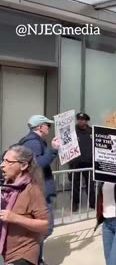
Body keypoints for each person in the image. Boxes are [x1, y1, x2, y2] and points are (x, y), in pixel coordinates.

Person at [21, 115, 61, 265]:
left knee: (42, 229)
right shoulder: (33, 143)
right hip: (39, 192)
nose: (49, 128)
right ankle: (32, 256)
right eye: (47, 125)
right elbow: (38, 165)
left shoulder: (36, 141)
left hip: (40, 191)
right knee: (45, 228)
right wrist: (53, 150)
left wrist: (51, 149)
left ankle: (36, 259)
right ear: (40, 127)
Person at [0, 146, 49, 265]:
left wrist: (14, 218)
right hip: (8, 253)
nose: (2, 165)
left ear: (23, 166)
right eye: (3, 160)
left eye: (8, 162)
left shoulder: (32, 189)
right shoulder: (7, 188)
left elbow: (45, 225)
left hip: (24, 254)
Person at [69, 112, 95, 212]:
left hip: (89, 163)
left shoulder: (91, 131)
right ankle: (75, 204)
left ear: (86, 121)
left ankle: (92, 204)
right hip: (76, 162)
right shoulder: (72, 131)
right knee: (75, 185)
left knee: (90, 185)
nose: (80, 121)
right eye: (79, 119)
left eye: (83, 120)